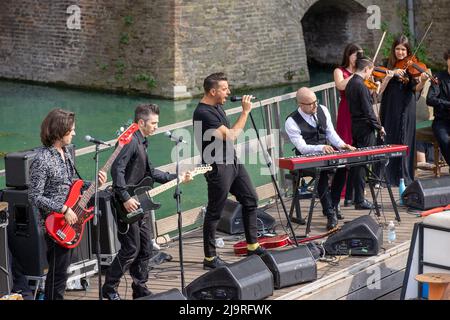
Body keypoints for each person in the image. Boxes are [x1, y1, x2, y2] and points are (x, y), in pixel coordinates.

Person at [102, 103, 192, 300]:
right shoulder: (130, 141)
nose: (156, 127)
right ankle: (109, 289)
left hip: (140, 201)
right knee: (130, 249)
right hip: (125, 203)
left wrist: (176, 177)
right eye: (154, 123)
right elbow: (117, 170)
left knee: (145, 248)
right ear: (141, 122)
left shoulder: (142, 141)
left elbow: (151, 173)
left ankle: (139, 287)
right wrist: (125, 198)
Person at [28, 108, 107, 300]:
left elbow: (71, 183)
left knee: (61, 272)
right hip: (54, 223)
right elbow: (34, 196)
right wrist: (63, 209)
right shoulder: (42, 159)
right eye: (71, 130)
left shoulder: (65, 153)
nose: (74, 133)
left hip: (69, 220)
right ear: (59, 130)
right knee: (57, 273)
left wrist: (94, 183)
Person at [193, 72, 265, 270]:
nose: (229, 92)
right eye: (225, 89)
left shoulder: (217, 106)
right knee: (215, 211)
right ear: (212, 91)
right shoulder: (203, 113)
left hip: (232, 161)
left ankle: (253, 245)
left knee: (250, 198)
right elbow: (231, 135)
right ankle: (209, 258)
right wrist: (245, 112)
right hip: (218, 166)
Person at [285, 87, 355, 230]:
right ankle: (330, 213)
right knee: (321, 173)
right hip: (306, 157)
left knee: (344, 165)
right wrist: (320, 148)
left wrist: (342, 145)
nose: (315, 105)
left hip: (326, 152)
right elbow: (303, 148)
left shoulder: (322, 109)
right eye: (311, 104)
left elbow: (331, 133)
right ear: (300, 104)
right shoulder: (291, 121)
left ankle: (333, 204)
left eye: (316, 101)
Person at [378, 35, 428, 186]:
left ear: (408, 51)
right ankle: (388, 177)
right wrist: (391, 74)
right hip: (390, 106)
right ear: (393, 50)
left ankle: (404, 175)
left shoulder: (412, 66)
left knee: (406, 138)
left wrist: (424, 81)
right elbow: (379, 91)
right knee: (390, 137)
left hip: (407, 106)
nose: (400, 52)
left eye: (403, 49)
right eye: (398, 49)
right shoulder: (386, 64)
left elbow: (415, 89)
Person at [346, 56, 385, 210]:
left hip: (355, 125)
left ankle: (350, 197)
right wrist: (379, 127)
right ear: (367, 69)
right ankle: (360, 200)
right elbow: (368, 111)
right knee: (363, 163)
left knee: (356, 163)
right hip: (364, 126)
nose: (371, 74)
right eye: (371, 71)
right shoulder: (360, 85)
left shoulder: (351, 83)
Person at [333, 43, 364, 207]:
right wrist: (357, 75)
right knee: (345, 146)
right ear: (349, 55)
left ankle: (357, 189)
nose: (358, 58)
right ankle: (343, 190)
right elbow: (340, 85)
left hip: (359, 110)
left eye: (361, 55)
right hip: (346, 110)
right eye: (356, 55)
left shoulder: (362, 70)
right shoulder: (340, 71)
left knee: (359, 148)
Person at [427, 49, 450, 167]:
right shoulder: (438, 78)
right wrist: (447, 104)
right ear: (447, 60)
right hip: (441, 120)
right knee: (445, 140)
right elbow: (430, 99)